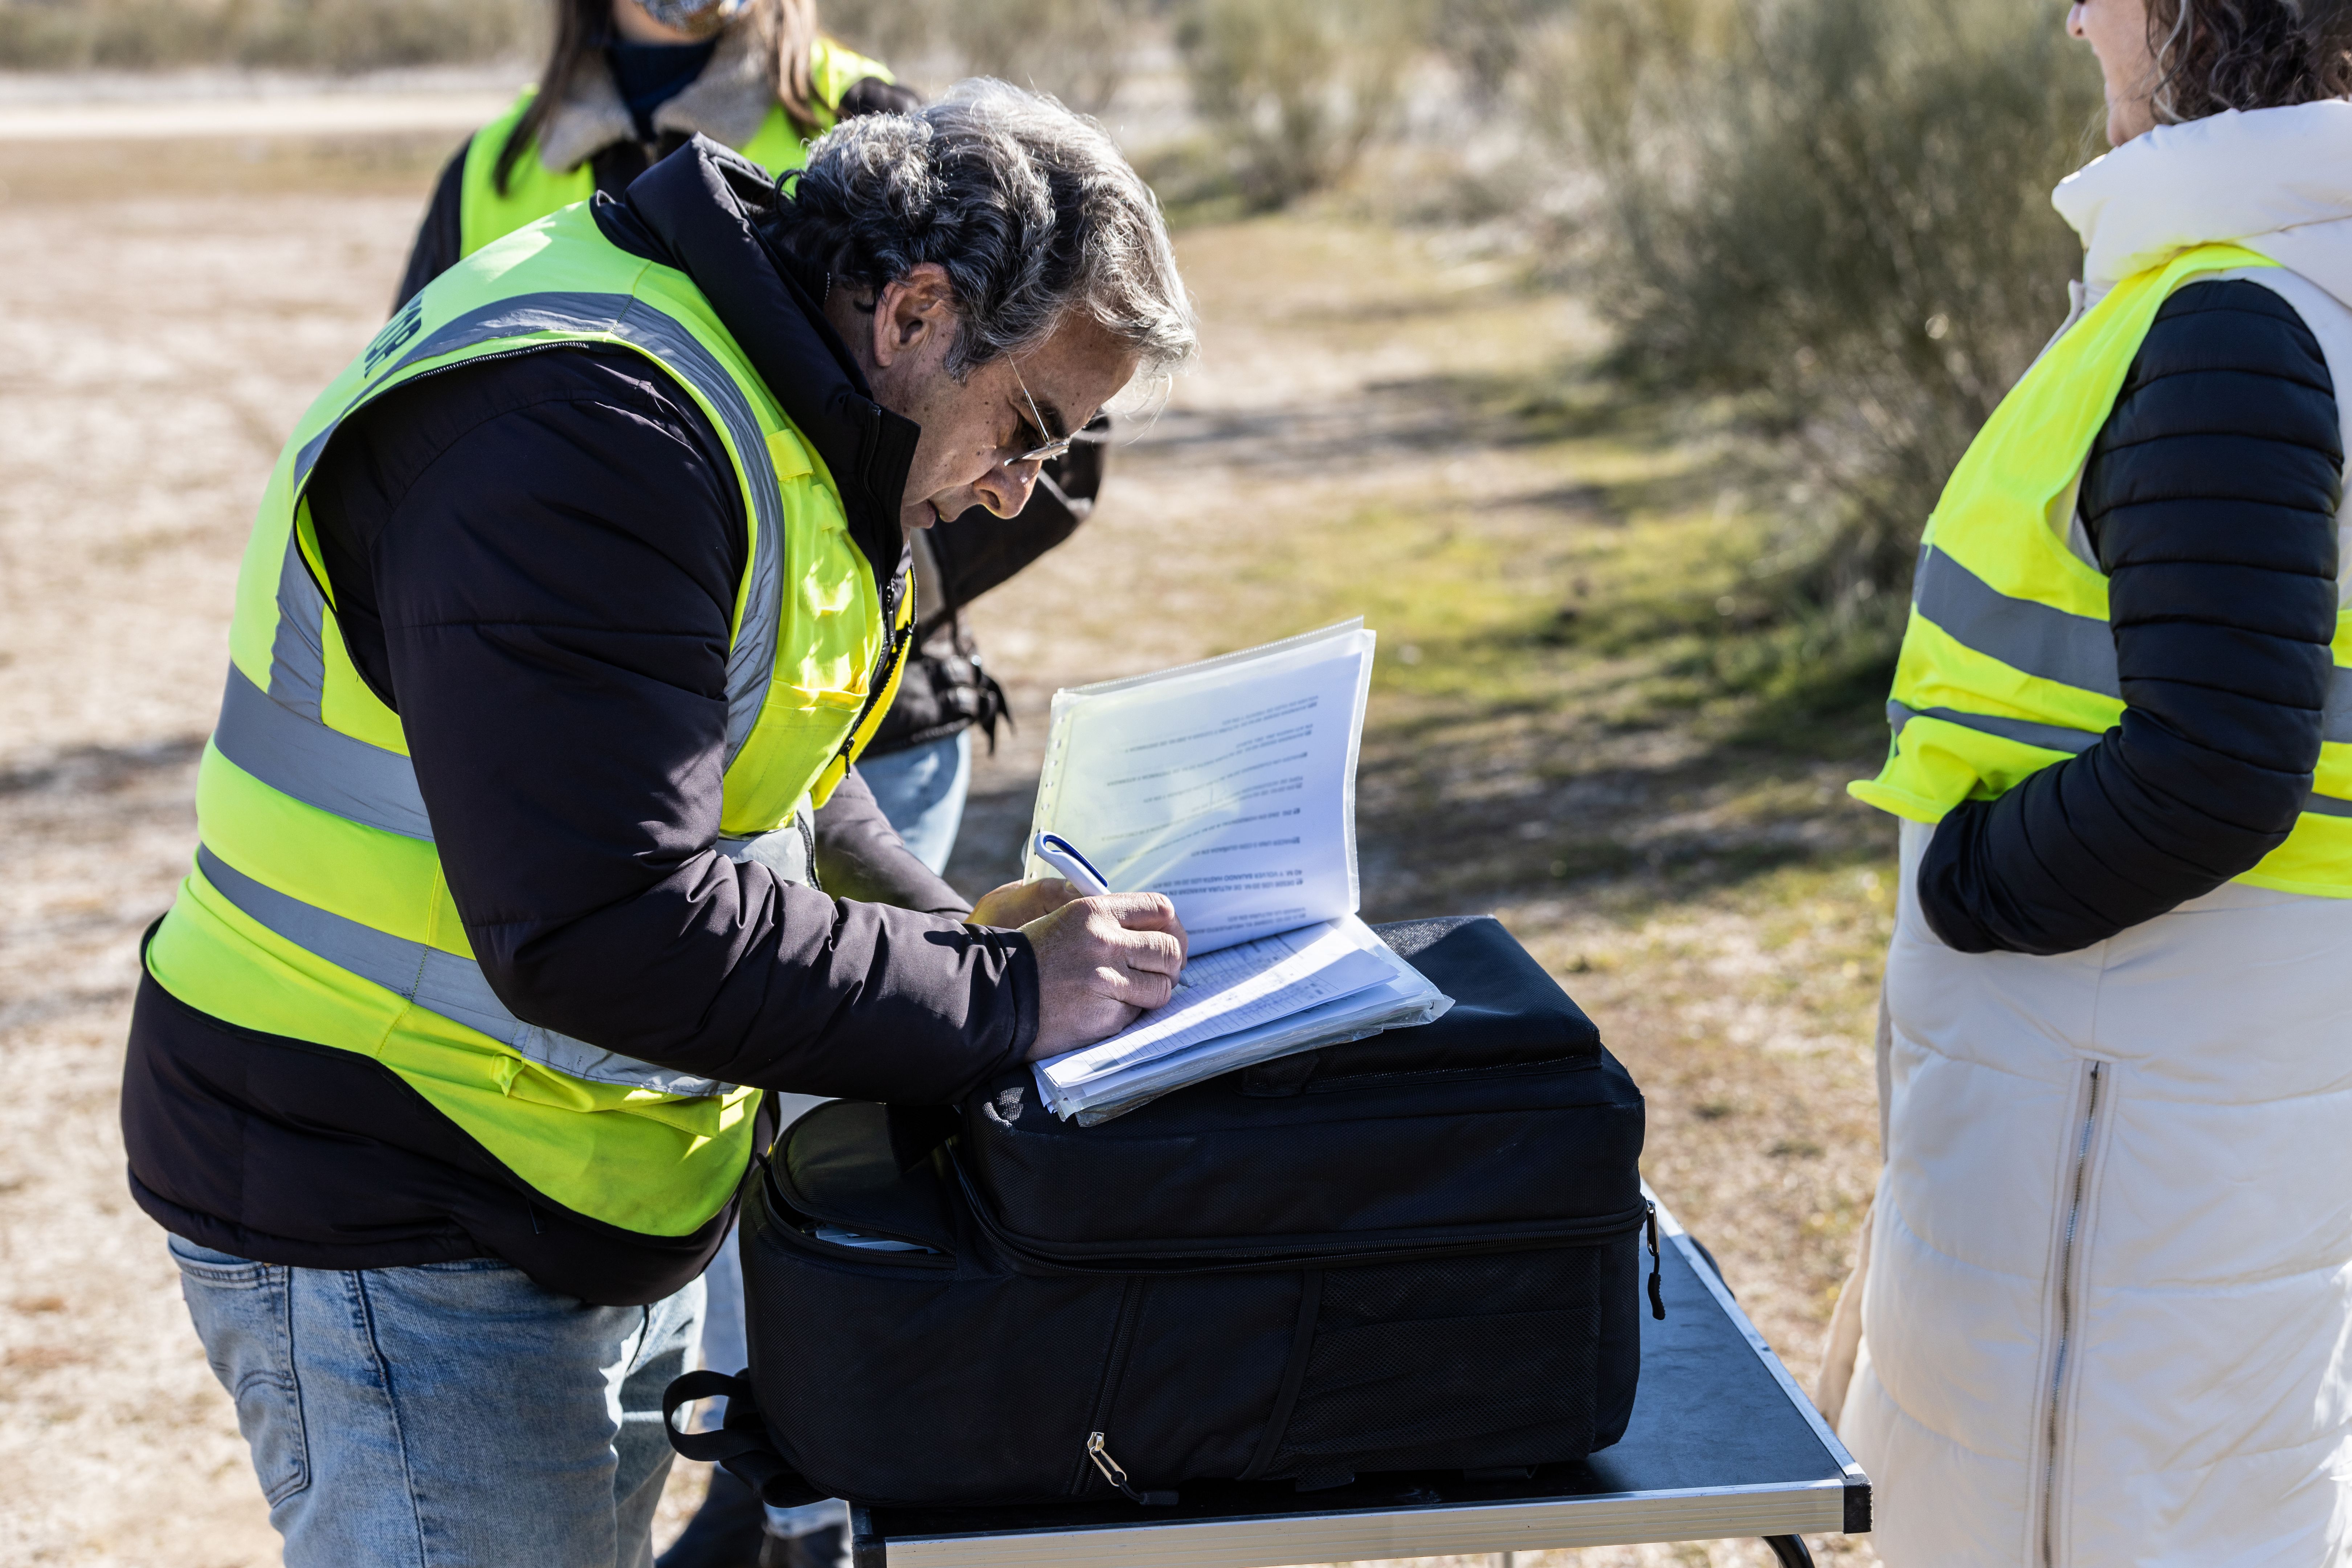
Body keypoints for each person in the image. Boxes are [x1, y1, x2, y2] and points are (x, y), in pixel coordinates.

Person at [125, 82, 1197, 1568]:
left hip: (569, 1186)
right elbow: (605, 921)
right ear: (918, 312)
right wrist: (1003, 996)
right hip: (388, 1198)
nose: (1021, 488)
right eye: (1027, 427)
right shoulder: (593, 431)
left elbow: (779, 775)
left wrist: (967, 931)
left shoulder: (785, 390)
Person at [1827, 1, 2352, 1562]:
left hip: (2125, 1097)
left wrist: (1971, 883)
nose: (2074, 15)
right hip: (2170, 1077)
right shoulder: (2257, 290)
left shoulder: (2235, 320)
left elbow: (2214, 766)